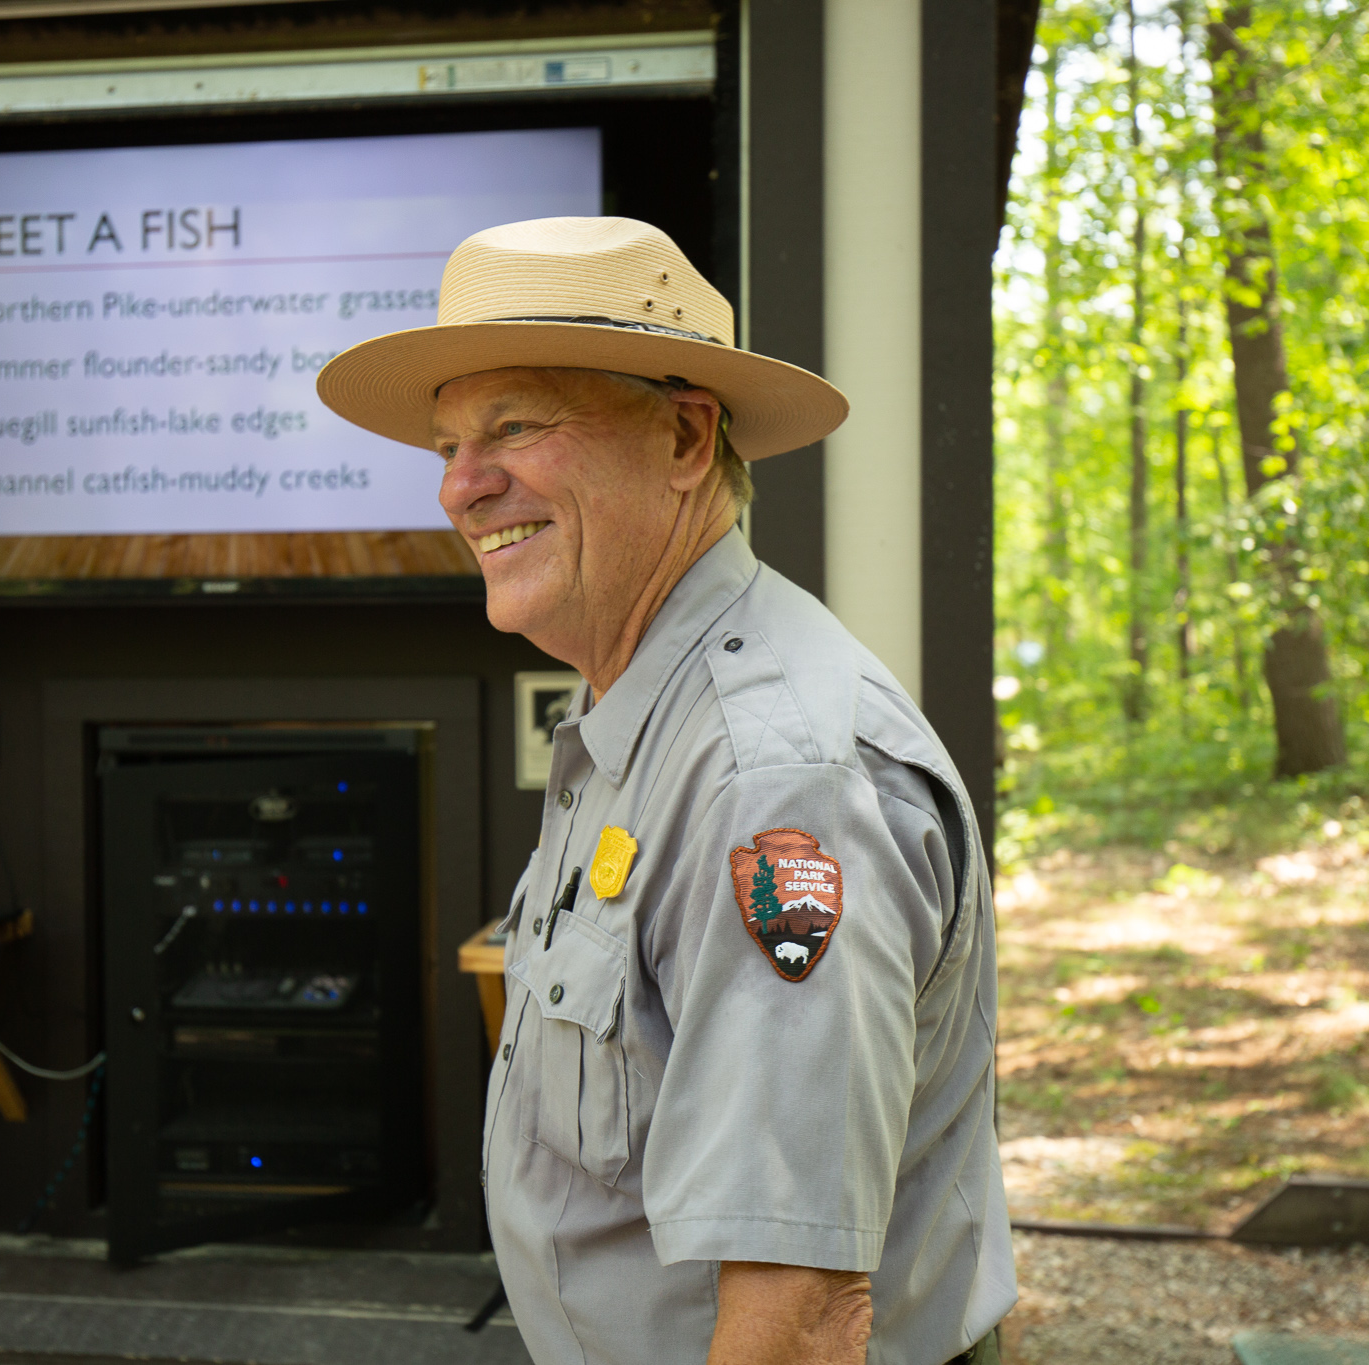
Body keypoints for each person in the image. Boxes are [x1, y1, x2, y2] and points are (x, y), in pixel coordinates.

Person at [316, 217, 1014, 1365]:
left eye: (512, 426)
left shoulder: (770, 777)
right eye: (445, 444)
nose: (459, 487)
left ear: (686, 437)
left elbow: (798, 1315)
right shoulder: (642, 708)